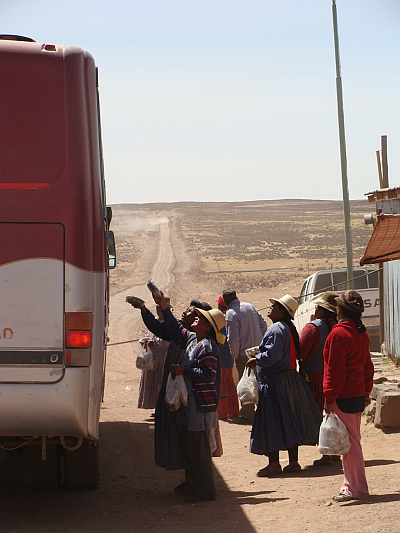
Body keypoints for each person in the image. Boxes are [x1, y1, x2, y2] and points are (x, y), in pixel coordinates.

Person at [153, 290, 225, 503]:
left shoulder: (207, 347)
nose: (195, 318)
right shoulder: (195, 340)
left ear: (207, 327)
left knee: (200, 451)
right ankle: (197, 487)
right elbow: (175, 329)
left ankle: (206, 490)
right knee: (193, 449)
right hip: (193, 404)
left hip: (201, 406)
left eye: (200, 318)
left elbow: (208, 375)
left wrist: (183, 371)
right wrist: (163, 307)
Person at [246, 294, 322, 477]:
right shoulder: (287, 328)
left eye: (275, 306)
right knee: (289, 420)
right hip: (288, 380)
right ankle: (293, 462)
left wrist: (256, 359)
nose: (270, 308)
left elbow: (272, 356)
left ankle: (273, 464)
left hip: (275, 382)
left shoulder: (275, 329)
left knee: (271, 421)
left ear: (282, 311)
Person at [323, 290, 374, 502]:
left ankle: (356, 488)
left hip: (343, 396)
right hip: (357, 395)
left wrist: (328, 397)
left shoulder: (338, 334)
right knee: (352, 441)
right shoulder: (361, 333)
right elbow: (367, 366)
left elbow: (335, 370)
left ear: (340, 310)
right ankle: (350, 485)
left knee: (351, 446)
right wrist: (367, 391)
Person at [299, 291, 339, 466]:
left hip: (315, 380)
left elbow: (302, 353)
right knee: (333, 417)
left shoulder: (312, 328)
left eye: (318, 307)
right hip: (335, 379)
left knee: (320, 417)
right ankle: (334, 452)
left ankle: (327, 454)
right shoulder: (339, 327)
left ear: (321, 311)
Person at [223, 289, 267, 420]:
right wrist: (262, 343)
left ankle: (248, 414)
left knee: (246, 385)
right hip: (258, 352)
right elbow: (263, 325)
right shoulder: (249, 306)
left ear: (225, 302)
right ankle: (263, 410)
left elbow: (232, 338)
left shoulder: (231, 313)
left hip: (244, 356)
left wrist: (235, 355)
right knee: (259, 382)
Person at [137, 302, 170, 410]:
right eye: (157, 308)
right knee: (151, 383)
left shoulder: (170, 323)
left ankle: (161, 407)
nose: (159, 311)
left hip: (163, 358)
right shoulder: (154, 322)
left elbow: (165, 341)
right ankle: (155, 406)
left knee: (160, 383)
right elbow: (148, 335)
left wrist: (154, 343)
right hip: (152, 358)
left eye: (161, 308)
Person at [216, 295, 240, 421]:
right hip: (229, 357)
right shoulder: (228, 318)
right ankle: (234, 411)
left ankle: (222, 413)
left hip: (223, 357)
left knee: (223, 385)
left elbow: (221, 341)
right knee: (230, 384)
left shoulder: (221, 321)